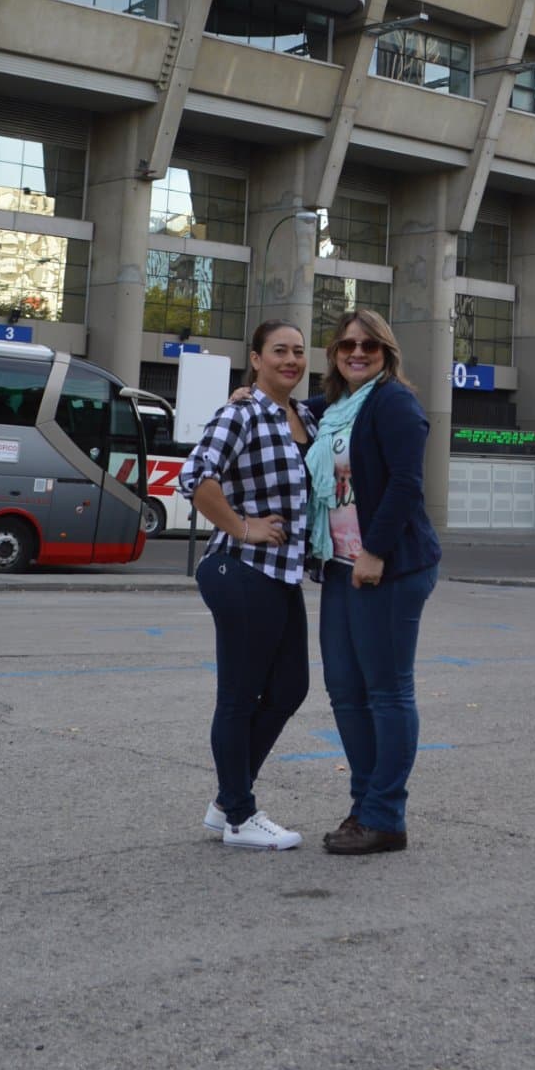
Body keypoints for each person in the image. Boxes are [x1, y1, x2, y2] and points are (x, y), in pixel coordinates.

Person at [309, 309, 441, 856]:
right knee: (344, 689)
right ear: (335, 355)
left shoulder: (394, 403)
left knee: (386, 691)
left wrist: (375, 550)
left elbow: (406, 484)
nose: (358, 353)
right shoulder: (334, 408)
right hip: (340, 564)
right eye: (347, 345)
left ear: (386, 353)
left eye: (369, 345)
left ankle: (385, 816)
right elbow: (286, 410)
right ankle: (365, 805)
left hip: (388, 565)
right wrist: (249, 394)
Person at [182, 319, 318, 850]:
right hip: (240, 568)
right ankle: (240, 816)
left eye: (299, 351)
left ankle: (226, 802)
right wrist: (243, 526)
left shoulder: (306, 416)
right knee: (239, 696)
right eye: (279, 351)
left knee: (290, 688)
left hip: (282, 574)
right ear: (256, 359)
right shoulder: (240, 413)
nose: (291, 360)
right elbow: (196, 478)